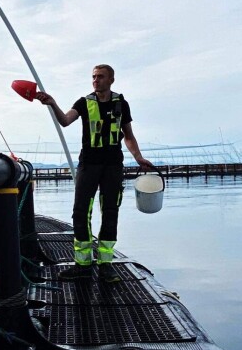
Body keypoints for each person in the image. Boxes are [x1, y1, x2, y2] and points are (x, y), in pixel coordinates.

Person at [35, 64, 157, 283]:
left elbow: (128, 135)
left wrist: (138, 157)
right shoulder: (84, 103)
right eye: (93, 77)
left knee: (110, 212)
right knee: (80, 212)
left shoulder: (121, 104)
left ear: (111, 79)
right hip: (88, 165)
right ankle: (82, 264)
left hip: (112, 166)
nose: (95, 80)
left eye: (100, 77)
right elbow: (64, 121)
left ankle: (105, 265)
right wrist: (52, 103)